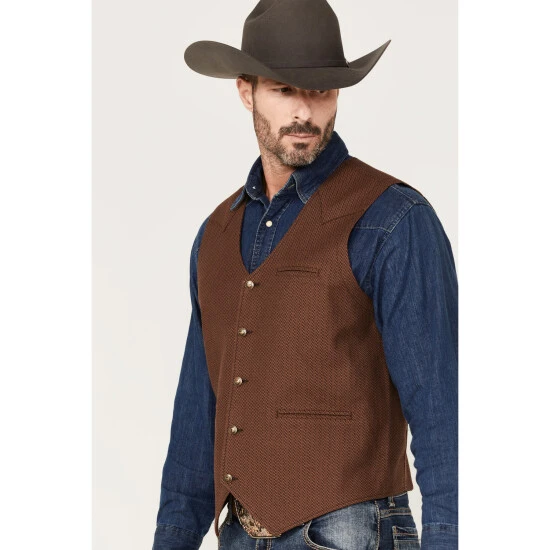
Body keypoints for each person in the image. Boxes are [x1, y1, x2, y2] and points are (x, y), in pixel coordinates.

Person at [152, 1, 458, 549]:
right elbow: (197, 419)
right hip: (238, 535)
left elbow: (444, 416)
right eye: (284, 90)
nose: (305, 112)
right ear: (246, 92)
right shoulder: (215, 236)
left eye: (321, 91)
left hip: (351, 532)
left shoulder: (393, 220)